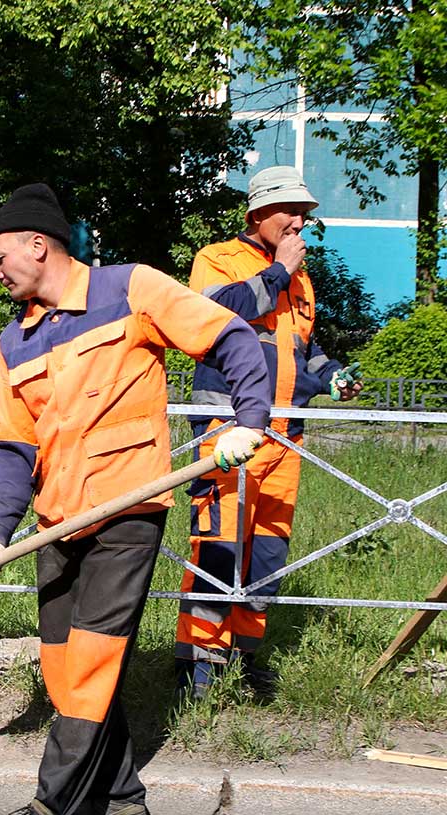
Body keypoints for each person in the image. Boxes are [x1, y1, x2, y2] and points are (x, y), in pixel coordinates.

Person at [0, 183, 272, 815]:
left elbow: (230, 334)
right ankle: (121, 794)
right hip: (57, 520)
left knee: (94, 660)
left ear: (38, 244)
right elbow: (13, 448)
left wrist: (249, 422)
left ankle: (52, 810)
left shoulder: (131, 289)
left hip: (129, 509)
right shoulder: (15, 343)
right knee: (66, 666)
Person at [175, 166, 363, 699]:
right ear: (258, 212)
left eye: (305, 214)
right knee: (217, 548)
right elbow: (210, 318)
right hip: (227, 432)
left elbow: (305, 350)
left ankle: (243, 658)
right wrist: (278, 272)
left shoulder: (302, 277)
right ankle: (198, 666)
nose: (300, 223)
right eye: (291, 212)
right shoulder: (216, 260)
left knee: (266, 555)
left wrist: (334, 376)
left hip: (286, 440)